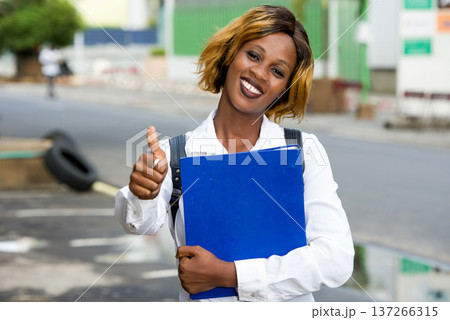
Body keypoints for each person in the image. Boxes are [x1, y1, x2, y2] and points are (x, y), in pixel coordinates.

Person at [115, 5, 354, 302]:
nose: (259, 73)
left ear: (285, 88)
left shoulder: (303, 152)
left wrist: (230, 275)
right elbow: (140, 224)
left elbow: (336, 259)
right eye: (253, 55)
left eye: (278, 71)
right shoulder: (176, 155)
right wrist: (143, 193)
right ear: (230, 54)